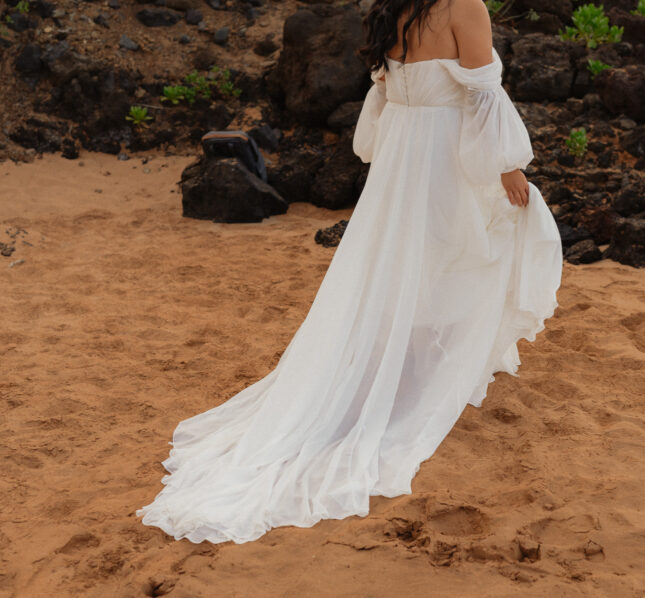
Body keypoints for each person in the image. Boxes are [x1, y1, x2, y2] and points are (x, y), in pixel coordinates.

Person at [135, 0, 563, 544]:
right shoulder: (463, 7)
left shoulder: (394, 9)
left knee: (409, 256)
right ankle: (433, 367)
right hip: (439, 151)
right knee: (464, 248)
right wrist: (509, 166)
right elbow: (481, 94)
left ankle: (412, 358)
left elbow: (385, 92)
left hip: (403, 152)